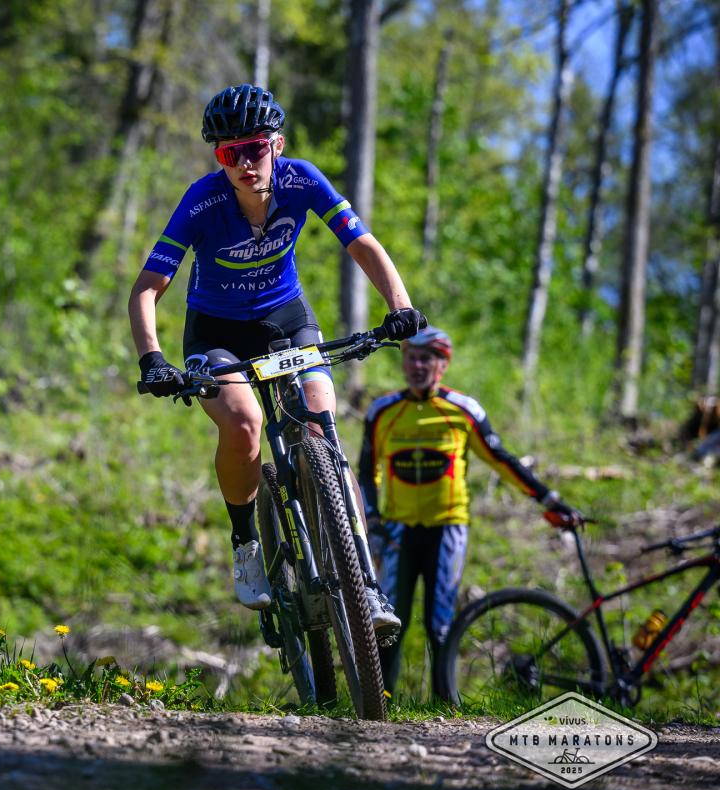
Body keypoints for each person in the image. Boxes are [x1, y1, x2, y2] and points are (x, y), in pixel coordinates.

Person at [128, 83, 425, 641]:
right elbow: (146, 289)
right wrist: (153, 359)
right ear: (218, 158)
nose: (244, 163)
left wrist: (400, 306)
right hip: (216, 333)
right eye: (229, 153)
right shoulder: (202, 201)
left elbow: (362, 244)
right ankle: (246, 542)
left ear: (278, 146)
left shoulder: (302, 180)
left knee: (322, 426)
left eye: (255, 148)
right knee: (245, 423)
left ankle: (362, 580)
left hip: (286, 320)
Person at [358, 327, 585, 697]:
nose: (417, 366)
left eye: (426, 359)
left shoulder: (464, 410)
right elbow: (367, 472)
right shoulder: (382, 411)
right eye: (411, 357)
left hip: (447, 528)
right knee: (388, 622)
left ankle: (445, 704)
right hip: (397, 531)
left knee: (440, 624)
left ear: (442, 365)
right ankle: (379, 705)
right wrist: (372, 519)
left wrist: (549, 499)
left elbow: (501, 460)